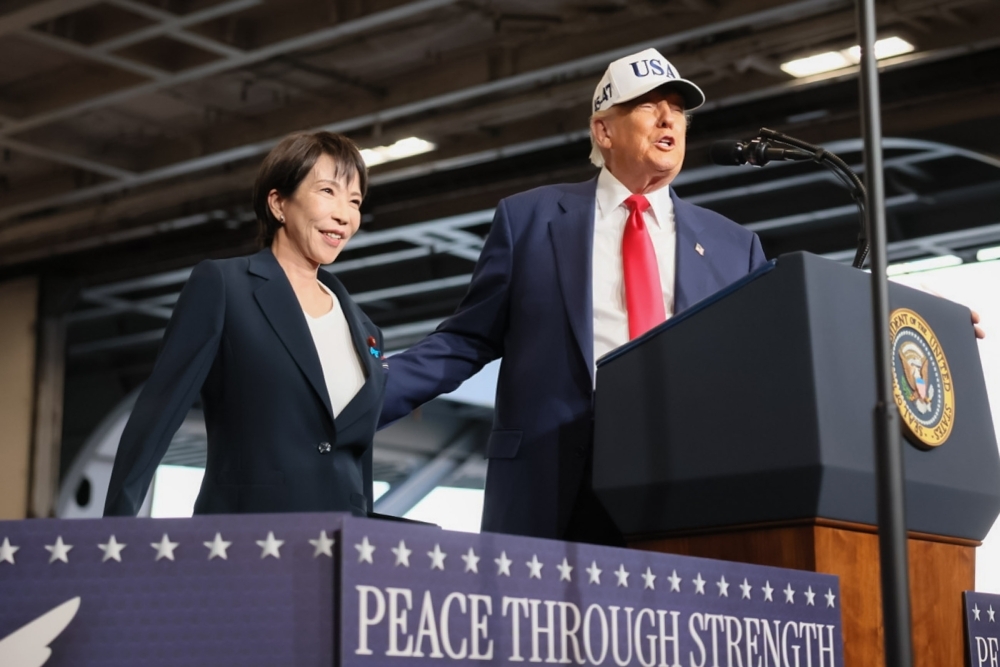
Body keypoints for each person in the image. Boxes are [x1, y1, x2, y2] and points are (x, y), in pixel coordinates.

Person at [378, 48, 768, 544]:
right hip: (553, 483)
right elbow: (465, 340)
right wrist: (357, 397)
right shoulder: (529, 221)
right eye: (648, 105)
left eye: (678, 109)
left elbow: (751, 376)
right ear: (603, 130)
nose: (670, 117)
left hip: (686, 481)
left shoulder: (736, 246)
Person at [104, 131, 385, 517]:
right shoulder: (223, 287)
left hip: (343, 541)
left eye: (355, 201)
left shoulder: (365, 329)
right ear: (278, 203)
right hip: (246, 533)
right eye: (328, 192)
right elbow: (158, 413)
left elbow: (358, 454)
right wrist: (113, 530)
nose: (344, 214)